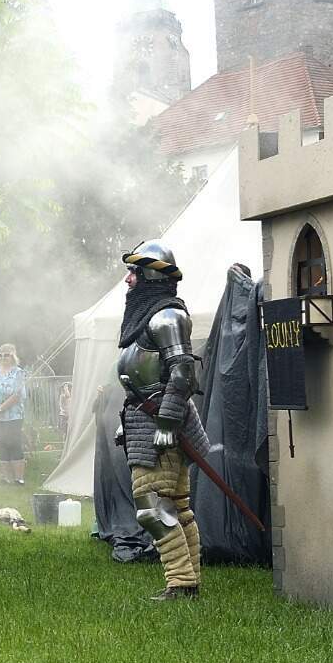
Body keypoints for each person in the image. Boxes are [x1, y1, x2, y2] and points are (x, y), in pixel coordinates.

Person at [116, 239, 210, 602]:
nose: (128, 280)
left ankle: (181, 583)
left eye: (134, 272)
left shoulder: (168, 316)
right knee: (175, 505)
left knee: (152, 505)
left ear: (151, 276)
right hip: (146, 420)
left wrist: (168, 423)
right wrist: (128, 422)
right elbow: (141, 378)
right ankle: (186, 583)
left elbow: (183, 372)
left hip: (161, 423)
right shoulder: (148, 317)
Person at [0, 343, 28, 485]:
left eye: (6, 355)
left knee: (14, 444)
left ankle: (18, 478)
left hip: (13, 415)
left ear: (13, 356)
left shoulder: (18, 373)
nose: (3, 358)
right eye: (0, 355)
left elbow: (17, 395)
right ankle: (6, 477)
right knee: (1, 444)